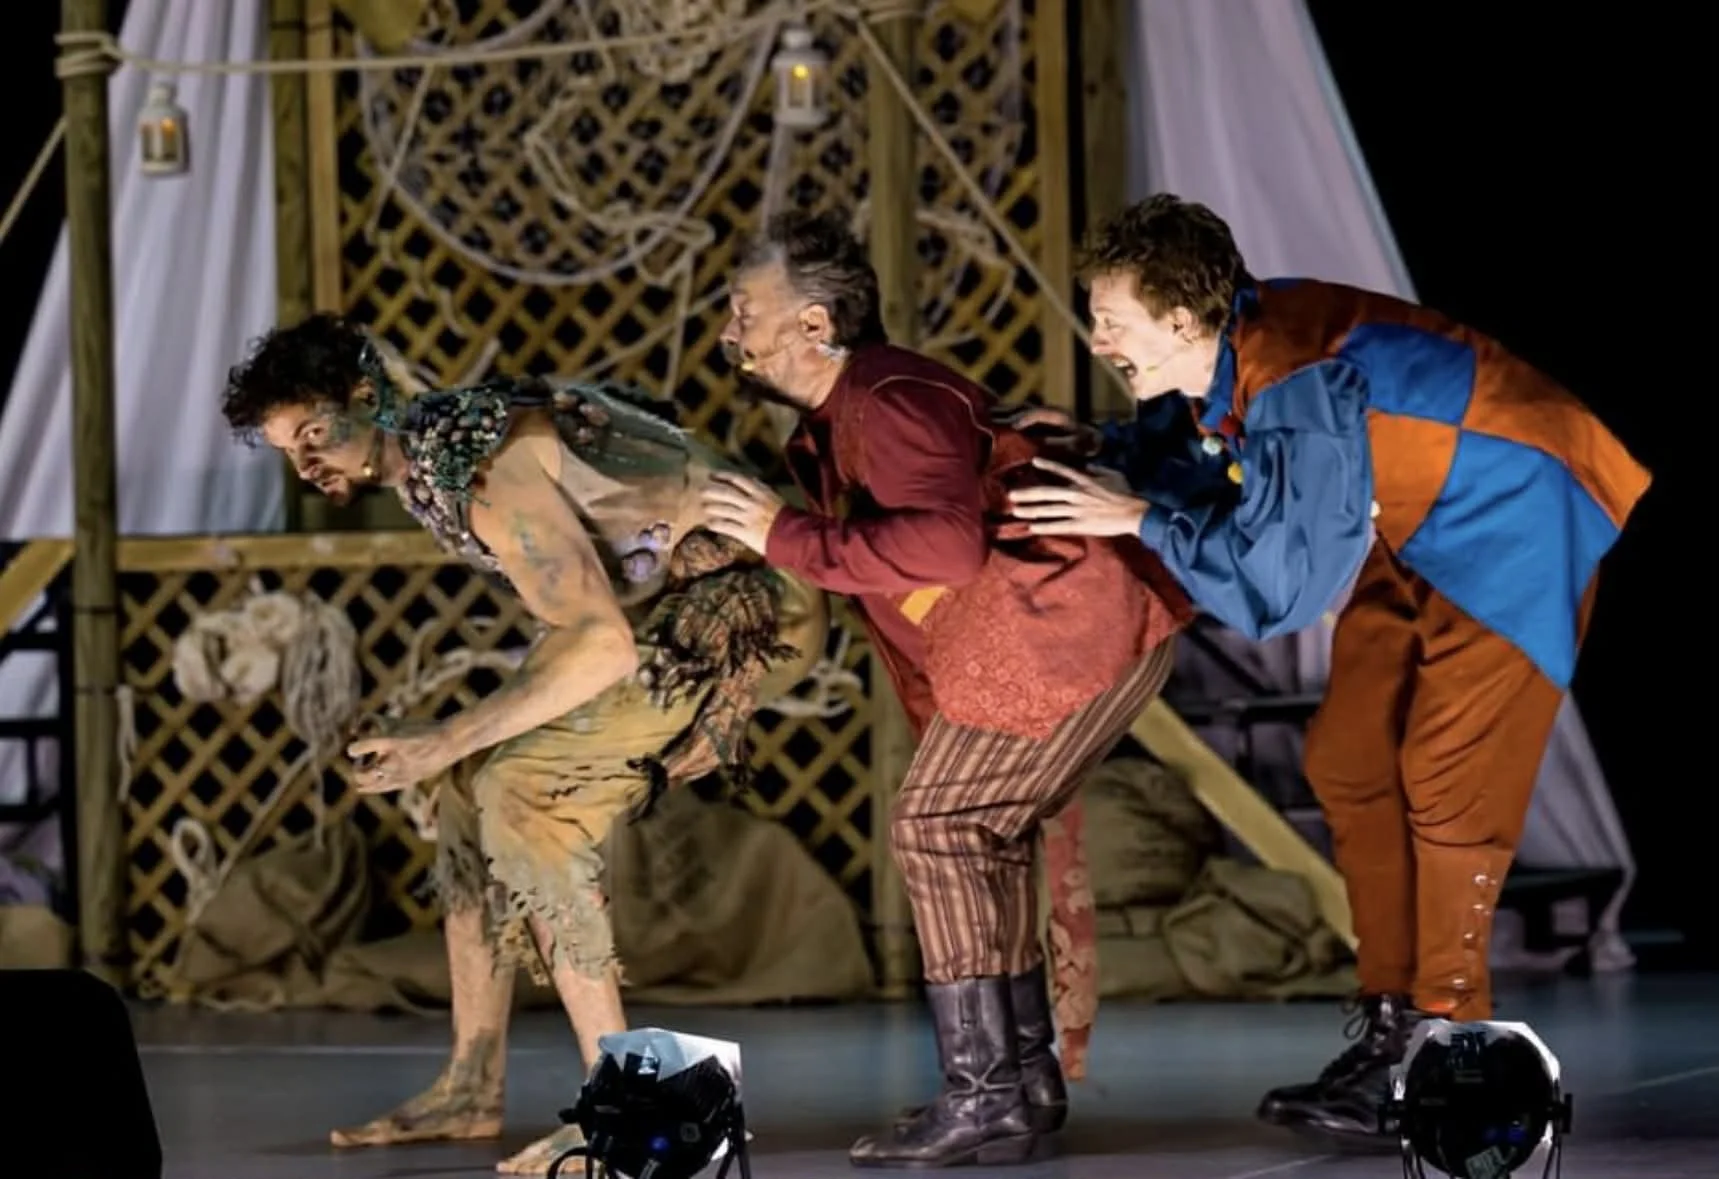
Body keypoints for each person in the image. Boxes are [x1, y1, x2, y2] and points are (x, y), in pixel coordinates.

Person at [1007, 193, 1651, 1143]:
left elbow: (1279, 589)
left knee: (1445, 780)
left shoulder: (1294, 381)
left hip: (1519, 506)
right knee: (1349, 759)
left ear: (1182, 318)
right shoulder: (1238, 342)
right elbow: (1206, 446)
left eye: (1112, 318)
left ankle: (1448, 1043)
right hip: (1417, 520)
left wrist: (1136, 519)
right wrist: (1103, 448)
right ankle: (1393, 1024)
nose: (1097, 335)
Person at [220, 316, 826, 1174]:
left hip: (752, 601)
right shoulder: (436, 457)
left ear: (365, 398)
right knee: (473, 782)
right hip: (675, 600)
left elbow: (600, 643)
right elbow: (581, 617)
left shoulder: (471, 458)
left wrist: (443, 736)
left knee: (522, 790)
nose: (306, 462)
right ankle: (473, 1079)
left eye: (315, 433)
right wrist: (452, 750)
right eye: (288, 449)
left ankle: (648, 1115)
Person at [699, 210, 1190, 1169]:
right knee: (975, 830)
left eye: (743, 305)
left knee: (937, 823)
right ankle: (1018, 1080)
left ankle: (984, 1092)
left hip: (1065, 626)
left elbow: (944, 546)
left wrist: (781, 536)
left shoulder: (884, 397)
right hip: (1041, 634)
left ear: (810, 324)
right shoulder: (843, 416)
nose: (728, 325)